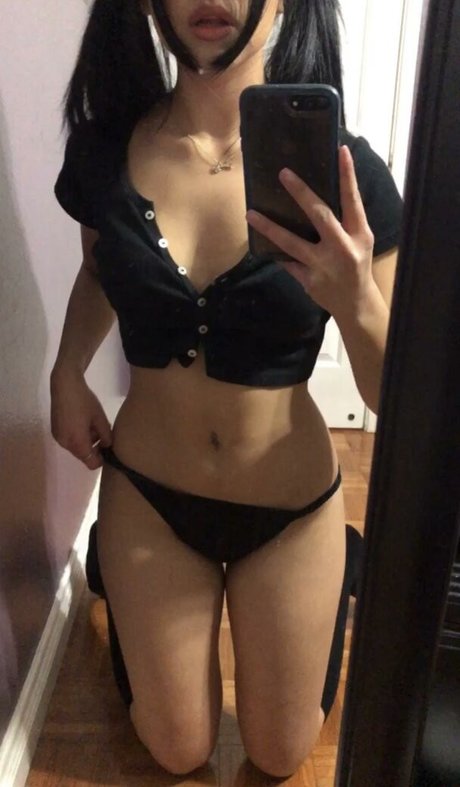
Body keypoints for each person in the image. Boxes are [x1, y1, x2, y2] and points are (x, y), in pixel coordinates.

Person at [50, 0, 403, 778]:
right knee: (179, 749)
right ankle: (119, 572)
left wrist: (357, 303)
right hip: (150, 497)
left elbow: (393, 397)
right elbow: (100, 270)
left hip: (290, 508)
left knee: (279, 755)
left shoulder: (347, 176)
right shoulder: (107, 151)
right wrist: (66, 369)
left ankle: (337, 565)